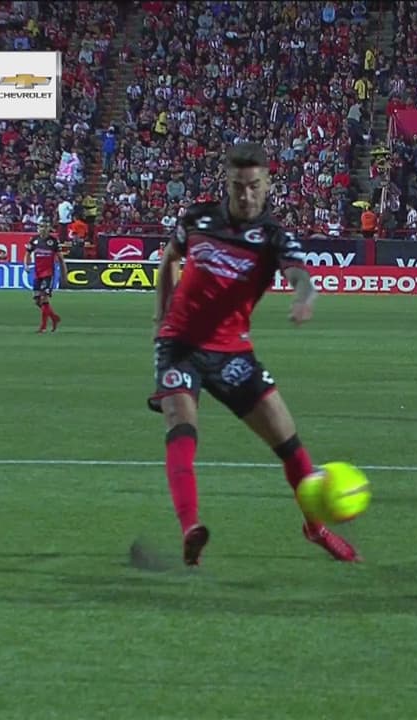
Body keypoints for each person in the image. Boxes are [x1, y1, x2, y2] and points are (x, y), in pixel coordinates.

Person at [148, 142, 358, 566]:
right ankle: (190, 527)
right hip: (179, 347)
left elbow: (299, 275)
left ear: (268, 186)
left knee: (290, 446)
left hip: (233, 354)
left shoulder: (272, 237)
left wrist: (305, 296)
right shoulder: (198, 219)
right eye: (238, 186)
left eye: (254, 186)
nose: (245, 195)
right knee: (182, 426)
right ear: (226, 183)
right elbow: (169, 259)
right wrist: (160, 321)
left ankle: (315, 528)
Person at [25, 223, 65, 333]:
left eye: (45, 227)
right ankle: (54, 318)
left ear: (49, 229)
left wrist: (64, 274)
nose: (43, 229)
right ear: (38, 228)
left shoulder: (53, 241)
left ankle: (43, 327)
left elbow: (61, 259)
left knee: (44, 298)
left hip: (48, 274)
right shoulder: (34, 240)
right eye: (41, 227)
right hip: (37, 273)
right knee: (37, 301)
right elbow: (27, 253)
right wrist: (26, 265)